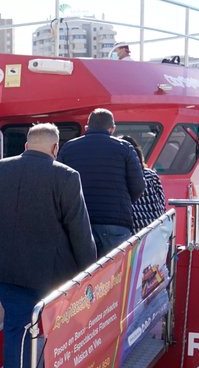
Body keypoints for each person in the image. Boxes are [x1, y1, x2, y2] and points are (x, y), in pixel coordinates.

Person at [0, 124, 96, 368]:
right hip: (53, 274)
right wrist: (90, 269)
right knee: (58, 331)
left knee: (16, 330)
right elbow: (79, 230)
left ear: (27, 145)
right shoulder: (66, 176)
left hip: (7, 270)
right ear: (55, 148)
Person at [57, 109, 145, 257]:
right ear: (112, 128)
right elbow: (138, 186)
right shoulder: (125, 148)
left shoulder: (68, 148)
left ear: (87, 128)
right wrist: (122, 202)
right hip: (115, 223)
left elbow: (58, 183)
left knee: (81, 277)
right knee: (116, 275)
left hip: (78, 223)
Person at [122, 136, 167, 232]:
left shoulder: (121, 176)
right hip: (155, 226)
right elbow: (162, 202)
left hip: (135, 229)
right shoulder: (151, 175)